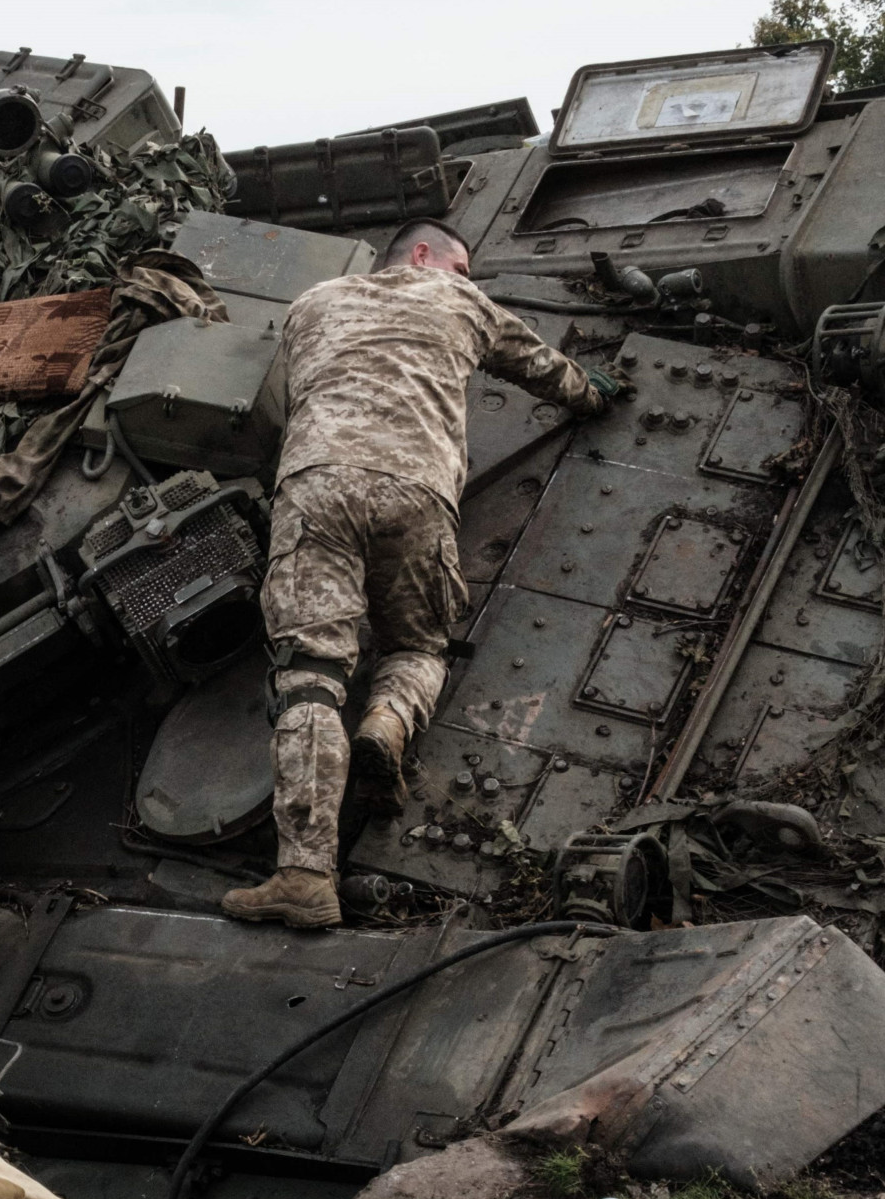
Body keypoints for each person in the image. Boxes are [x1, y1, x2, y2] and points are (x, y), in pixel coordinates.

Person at [221, 218, 624, 928]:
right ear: (423, 255)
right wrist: (593, 393)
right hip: (417, 492)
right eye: (462, 267)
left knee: (309, 672)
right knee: (416, 646)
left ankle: (304, 876)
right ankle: (388, 720)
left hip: (316, 484)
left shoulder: (312, 302)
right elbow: (543, 368)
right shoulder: (462, 304)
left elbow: (275, 405)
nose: (467, 280)